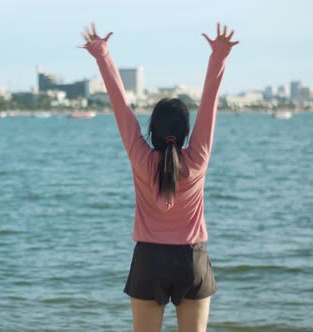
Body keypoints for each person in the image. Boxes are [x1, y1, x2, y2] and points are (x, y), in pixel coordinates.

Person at [78, 23, 239, 332]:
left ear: (152, 129)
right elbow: (209, 103)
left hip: (149, 259)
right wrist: (219, 56)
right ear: (185, 132)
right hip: (192, 259)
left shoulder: (140, 157)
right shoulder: (197, 158)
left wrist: (102, 54)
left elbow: (121, 106)